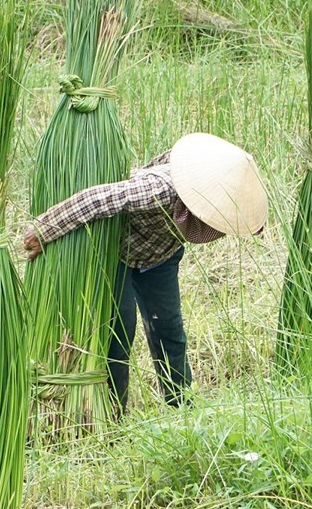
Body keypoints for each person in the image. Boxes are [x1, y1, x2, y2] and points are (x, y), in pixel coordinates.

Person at [24, 132, 268, 415]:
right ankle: (114, 414)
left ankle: (184, 408)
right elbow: (98, 199)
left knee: (169, 330)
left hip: (160, 256)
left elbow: (249, 218)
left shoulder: (223, 196)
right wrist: (46, 229)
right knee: (118, 333)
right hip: (117, 256)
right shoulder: (159, 188)